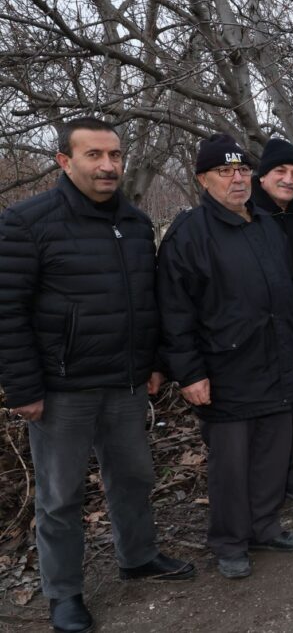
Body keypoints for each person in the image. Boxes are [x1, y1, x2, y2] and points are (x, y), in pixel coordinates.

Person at [0, 117, 195, 633]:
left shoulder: (131, 223)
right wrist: (23, 387)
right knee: (60, 496)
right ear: (65, 161)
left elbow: (147, 302)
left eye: (114, 155)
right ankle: (64, 594)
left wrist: (154, 364)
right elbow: (7, 310)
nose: (108, 165)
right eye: (94, 155)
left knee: (133, 478)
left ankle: (139, 556)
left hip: (126, 384)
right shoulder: (27, 222)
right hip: (61, 391)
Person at [159, 133, 293, 579]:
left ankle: (264, 526)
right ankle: (229, 540)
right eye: (225, 172)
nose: (237, 179)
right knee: (231, 465)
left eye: (243, 169)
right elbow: (174, 310)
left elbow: (283, 294)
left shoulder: (264, 224)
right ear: (203, 179)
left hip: (277, 362)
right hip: (226, 371)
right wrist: (188, 373)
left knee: (272, 454)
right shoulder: (190, 233)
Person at [249, 138, 293, 503]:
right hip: (253, 335)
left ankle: (289, 473)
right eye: (280, 171)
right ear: (261, 176)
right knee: (261, 414)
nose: (289, 180)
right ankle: (262, 484)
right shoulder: (245, 214)